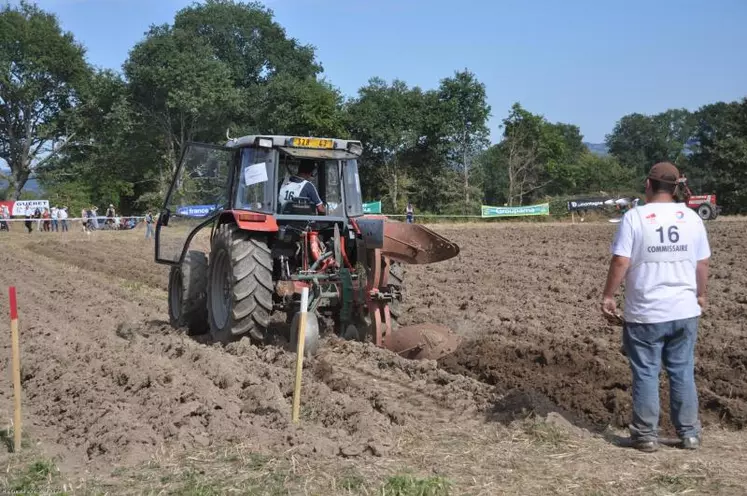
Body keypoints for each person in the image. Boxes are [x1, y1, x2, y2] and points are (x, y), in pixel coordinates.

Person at [601, 161, 710, 453]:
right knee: (682, 370)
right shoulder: (692, 218)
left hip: (646, 312)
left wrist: (609, 296)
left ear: (648, 185)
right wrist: (701, 294)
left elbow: (621, 261)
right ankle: (689, 434)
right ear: (676, 188)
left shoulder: (635, 218)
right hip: (684, 311)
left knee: (647, 372)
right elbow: (702, 264)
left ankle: (646, 436)